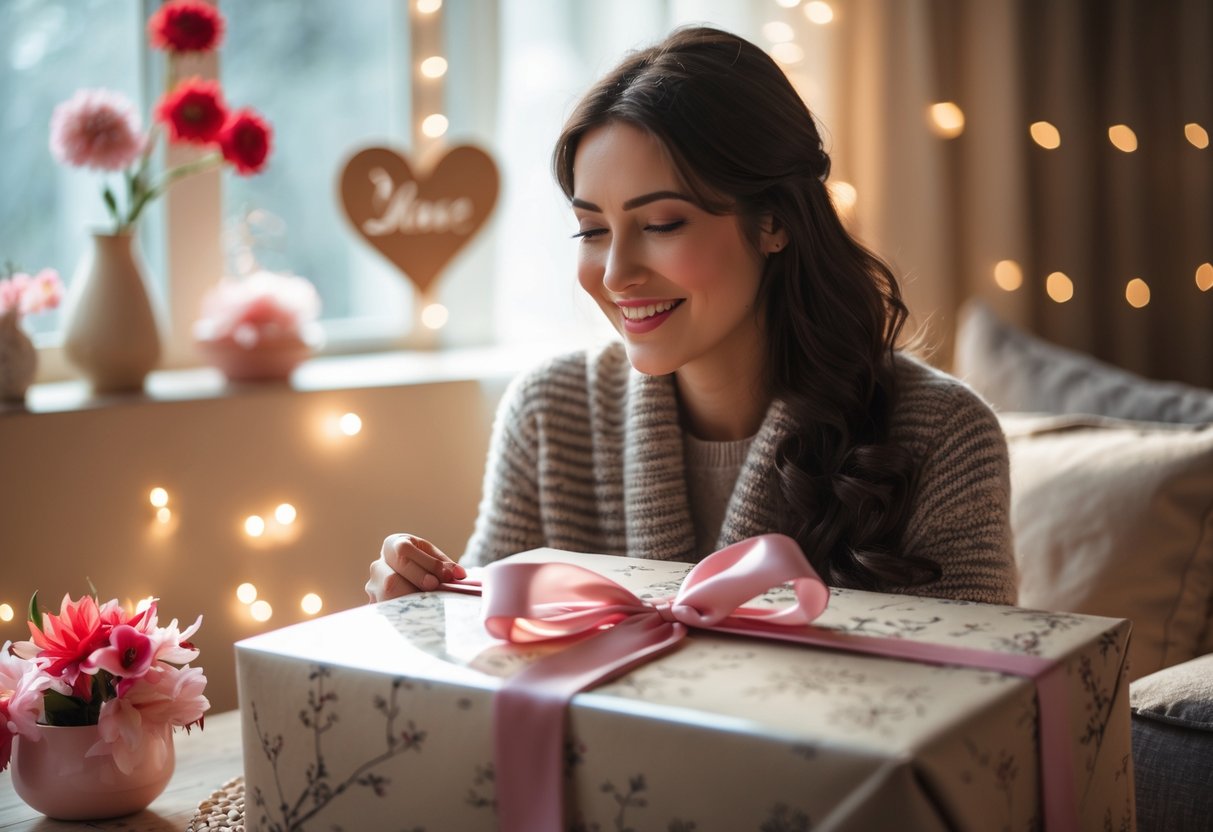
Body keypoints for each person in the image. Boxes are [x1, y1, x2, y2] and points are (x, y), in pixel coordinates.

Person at [366, 26, 1016, 606]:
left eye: (661, 224)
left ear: (773, 222)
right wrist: (418, 607)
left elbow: (985, 712)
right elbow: (486, 661)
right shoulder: (547, 412)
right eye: (591, 231)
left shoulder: (943, 434)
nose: (616, 273)